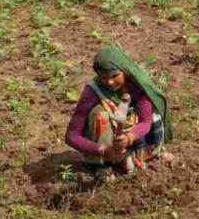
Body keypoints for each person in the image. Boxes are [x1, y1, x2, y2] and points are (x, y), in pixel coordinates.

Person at [65, 45, 173, 179]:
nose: (110, 82)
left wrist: (128, 138)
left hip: (133, 138)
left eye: (115, 75)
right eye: (103, 78)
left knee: (153, 112)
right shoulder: (92, 91)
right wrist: (104, 150)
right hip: (105, 142)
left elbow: (146, 122)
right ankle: (104, 165)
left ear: (124, 70)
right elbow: (72, 135)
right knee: (100, 114)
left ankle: (136, 154)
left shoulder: (138, 85)